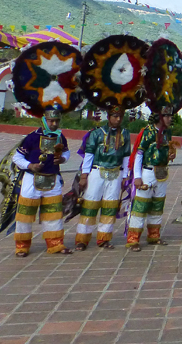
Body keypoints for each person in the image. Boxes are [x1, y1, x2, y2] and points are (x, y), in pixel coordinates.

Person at [11, 106, 72, 256]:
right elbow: (17, 157)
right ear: (44, 120)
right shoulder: (32, 137)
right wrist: (30, 165)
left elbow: (66, 151)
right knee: (25, 214)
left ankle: (55, 244)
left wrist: (63, 159)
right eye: (51, 121)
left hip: (53, 179)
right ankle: (22, 246)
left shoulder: (60, 137)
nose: (54, 124)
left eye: (57, 121)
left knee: (54, 213)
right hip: (31, 180)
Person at [75, 105, 131, 250]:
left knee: (110, 206)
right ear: (109, 117)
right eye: (115, 116)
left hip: (116, 173)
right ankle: (82, 239)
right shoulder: (97, 133)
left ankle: (104, 238)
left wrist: (125, 176)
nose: (118, 119)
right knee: (90, 205)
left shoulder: (125, 133)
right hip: (97, 172)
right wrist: (84, 176)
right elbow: (89, 155)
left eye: (120, 117)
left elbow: (126, 156)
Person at [127, 106, 176, 251]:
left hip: (162, 173)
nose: (170, 118)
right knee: (140, 206)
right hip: (147, 172)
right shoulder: (147, 132)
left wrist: (170, 156)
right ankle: (133, 239)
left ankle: (154, 235)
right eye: (167, 116)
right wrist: (137, 176)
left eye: (170, 116)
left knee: (157, 206)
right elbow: (139, 154)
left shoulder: (167, 133)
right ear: (159, 117)